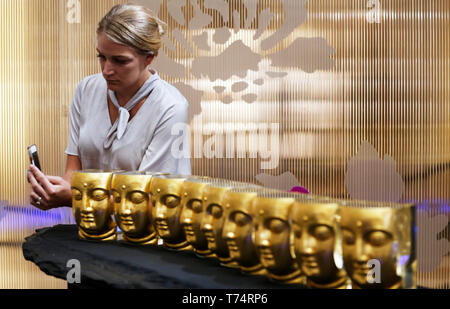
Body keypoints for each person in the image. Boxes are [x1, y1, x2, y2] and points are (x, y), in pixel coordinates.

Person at [28, 4, 191, 211]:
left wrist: (74, 199)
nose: (106, 70)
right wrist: (53, 190)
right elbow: (73, 174)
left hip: (149, 237)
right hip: (92, 230)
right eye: (102, 57)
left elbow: (150, 200)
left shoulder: (171, 107)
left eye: (120, 61)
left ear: (149, 57)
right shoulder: (87, 89)